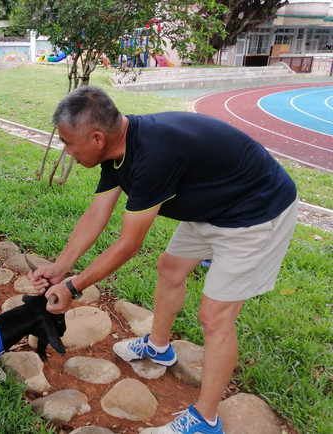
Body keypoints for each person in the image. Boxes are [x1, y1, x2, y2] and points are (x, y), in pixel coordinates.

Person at [29, 86, 298, 433]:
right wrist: (59, 267)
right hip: (215, 205)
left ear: (96, 138)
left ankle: (205, 420)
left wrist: (73, 287)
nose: (66, 150)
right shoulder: (117, 150)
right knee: (170, 266)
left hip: (256, 211)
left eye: (68, 142)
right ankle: (158, 347)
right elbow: (97, 214)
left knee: (215, 317)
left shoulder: (154, 156)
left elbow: (128, 245)